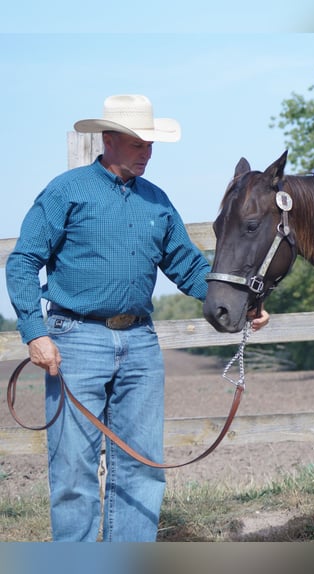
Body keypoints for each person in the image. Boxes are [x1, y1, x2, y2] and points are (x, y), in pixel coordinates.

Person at [5, 94, 269, 542]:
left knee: (143, 466)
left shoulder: (157, 202)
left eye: (151, 144)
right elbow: (23, 261)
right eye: (137, 143)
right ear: (108, 140)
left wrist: (244, 306)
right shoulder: (65, 192)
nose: (147, 152)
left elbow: (188, 268)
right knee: (73, 470)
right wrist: (34, 332)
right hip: (75, 341)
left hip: (140, 345)